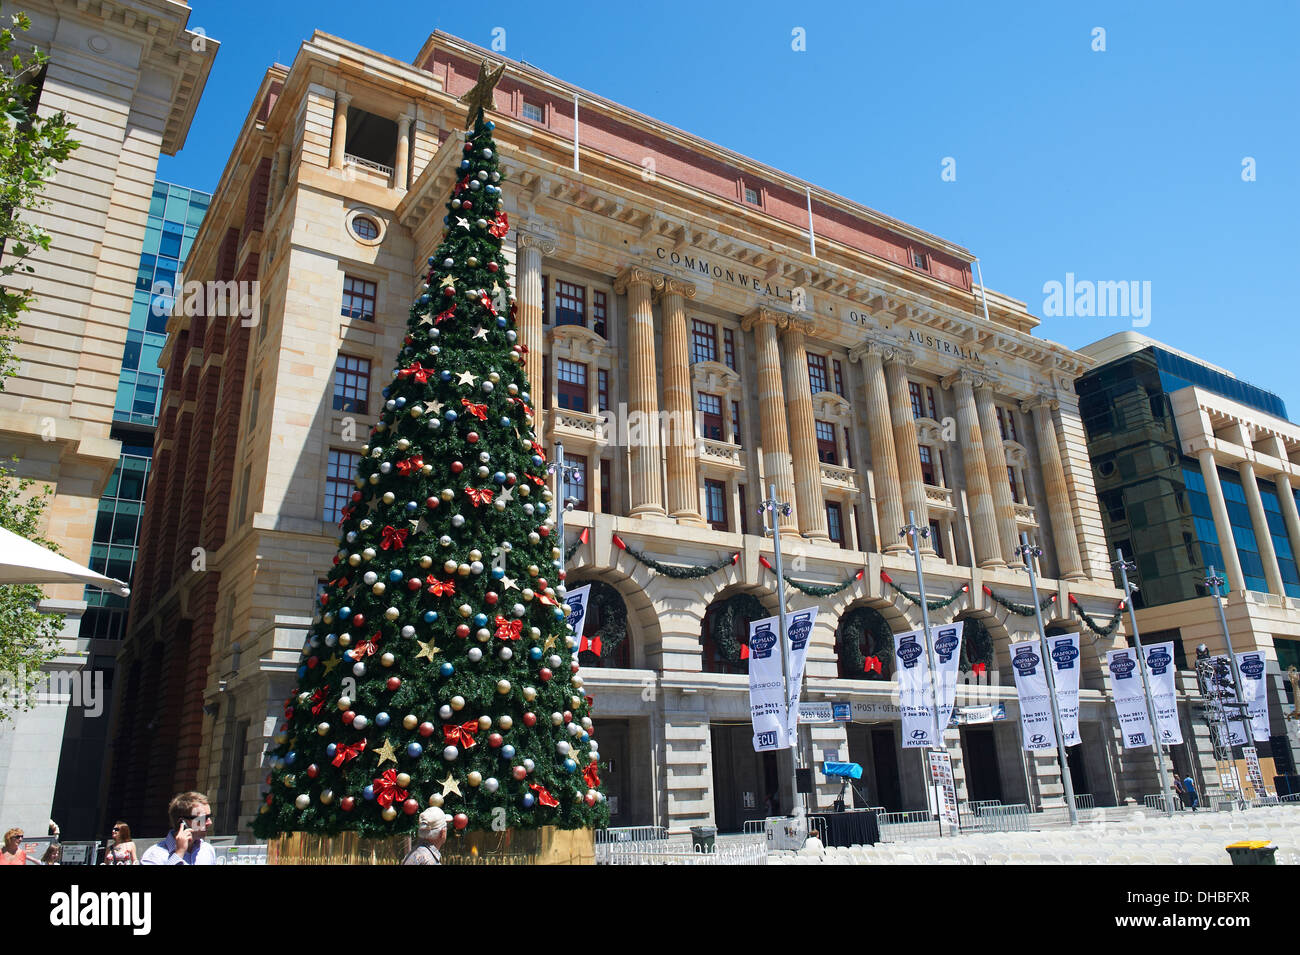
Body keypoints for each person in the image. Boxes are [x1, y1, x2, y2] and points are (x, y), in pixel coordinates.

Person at [140, 792, 216, 865]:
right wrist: (179, 854)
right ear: (182, 823)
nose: (209, 822)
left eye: (209, 816)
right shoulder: (154, 855)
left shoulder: (207, 850)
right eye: (203, 818)